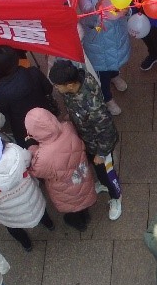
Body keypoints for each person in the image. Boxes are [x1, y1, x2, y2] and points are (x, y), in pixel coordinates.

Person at [48, 59, 123, 220]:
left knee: (108, 173)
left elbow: (107, 130)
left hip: (100, 145)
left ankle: (116, 197)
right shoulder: (79, 79)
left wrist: (101, 153)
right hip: (87, 139)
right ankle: (103, 182)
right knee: (98, 170)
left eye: (57, 85)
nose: (56, 88)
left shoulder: (92, 105)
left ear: (69, 85)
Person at [0, 124, 55, 251]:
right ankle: (49, 225)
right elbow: (28, 159)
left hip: (6, 211)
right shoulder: (15, 152)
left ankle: (27, 245)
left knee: (13, 227)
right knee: (39, 211)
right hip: (29, 198)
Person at [25, 107, 97, 231]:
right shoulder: (68, 127)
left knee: (72, 209)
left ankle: (79, 224)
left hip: (65, 189)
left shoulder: (43, 156)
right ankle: (85, 215)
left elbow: (37, 171)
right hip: (81, 175)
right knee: (83, 197)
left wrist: (32, 148)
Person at [78, 0, 132, 115]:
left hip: (115, 34)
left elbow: (124, 5)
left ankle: (115, 75)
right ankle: (107, 98)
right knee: (102, 71)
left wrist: (126, 10)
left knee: (114, 59)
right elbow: (86, 16)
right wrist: (97, 7)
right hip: (98, 38)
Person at [0, 47, 56, 145]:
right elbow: (49, 89)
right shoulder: (34, 72)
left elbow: (1, 112)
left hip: (23, 129)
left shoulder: (1, 91)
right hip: (45, 116)